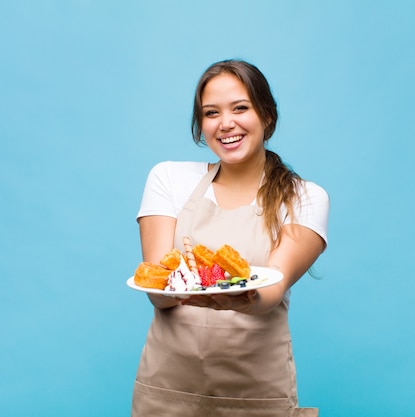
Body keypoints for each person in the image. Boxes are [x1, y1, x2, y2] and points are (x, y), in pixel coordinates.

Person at [131, 59, 330, 417]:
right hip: (167, 393)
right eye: (211, 113)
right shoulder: (169, 180)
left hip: (256, 397)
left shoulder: (305, 198)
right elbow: (159, 291)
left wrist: (233, 296)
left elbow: (269, 293)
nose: (226, 124)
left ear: (267, 115)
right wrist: (175, 290)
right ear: (201, 125)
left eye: (241, 108)